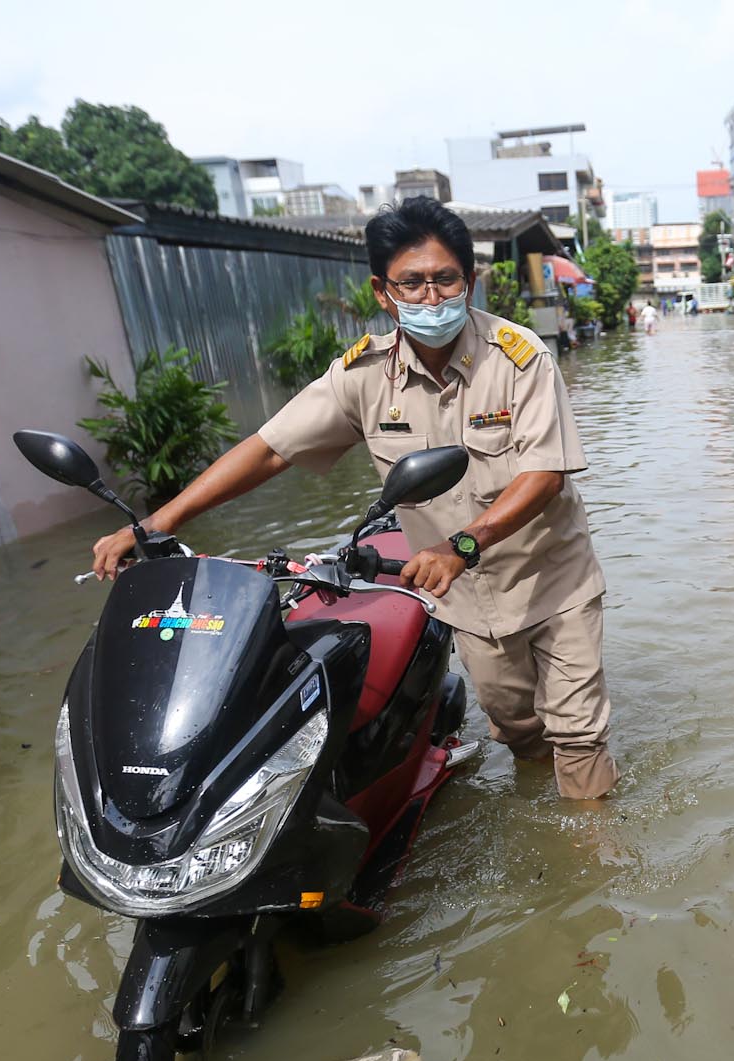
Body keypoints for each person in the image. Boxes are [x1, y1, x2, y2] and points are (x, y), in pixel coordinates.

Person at [88, 198, 619, 800]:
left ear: (469, 281)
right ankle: (540, 819)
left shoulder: (520, 358)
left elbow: (544, 474)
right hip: (469, 603)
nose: (430, 297)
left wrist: (463, 543)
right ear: (381, 291)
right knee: (520, 733)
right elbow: (268, 450)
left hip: (552, 581)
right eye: (411, 283)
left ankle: (590, 865)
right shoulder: (361, 375)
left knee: (578, 738)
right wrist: (155, 524)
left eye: (445, 279)